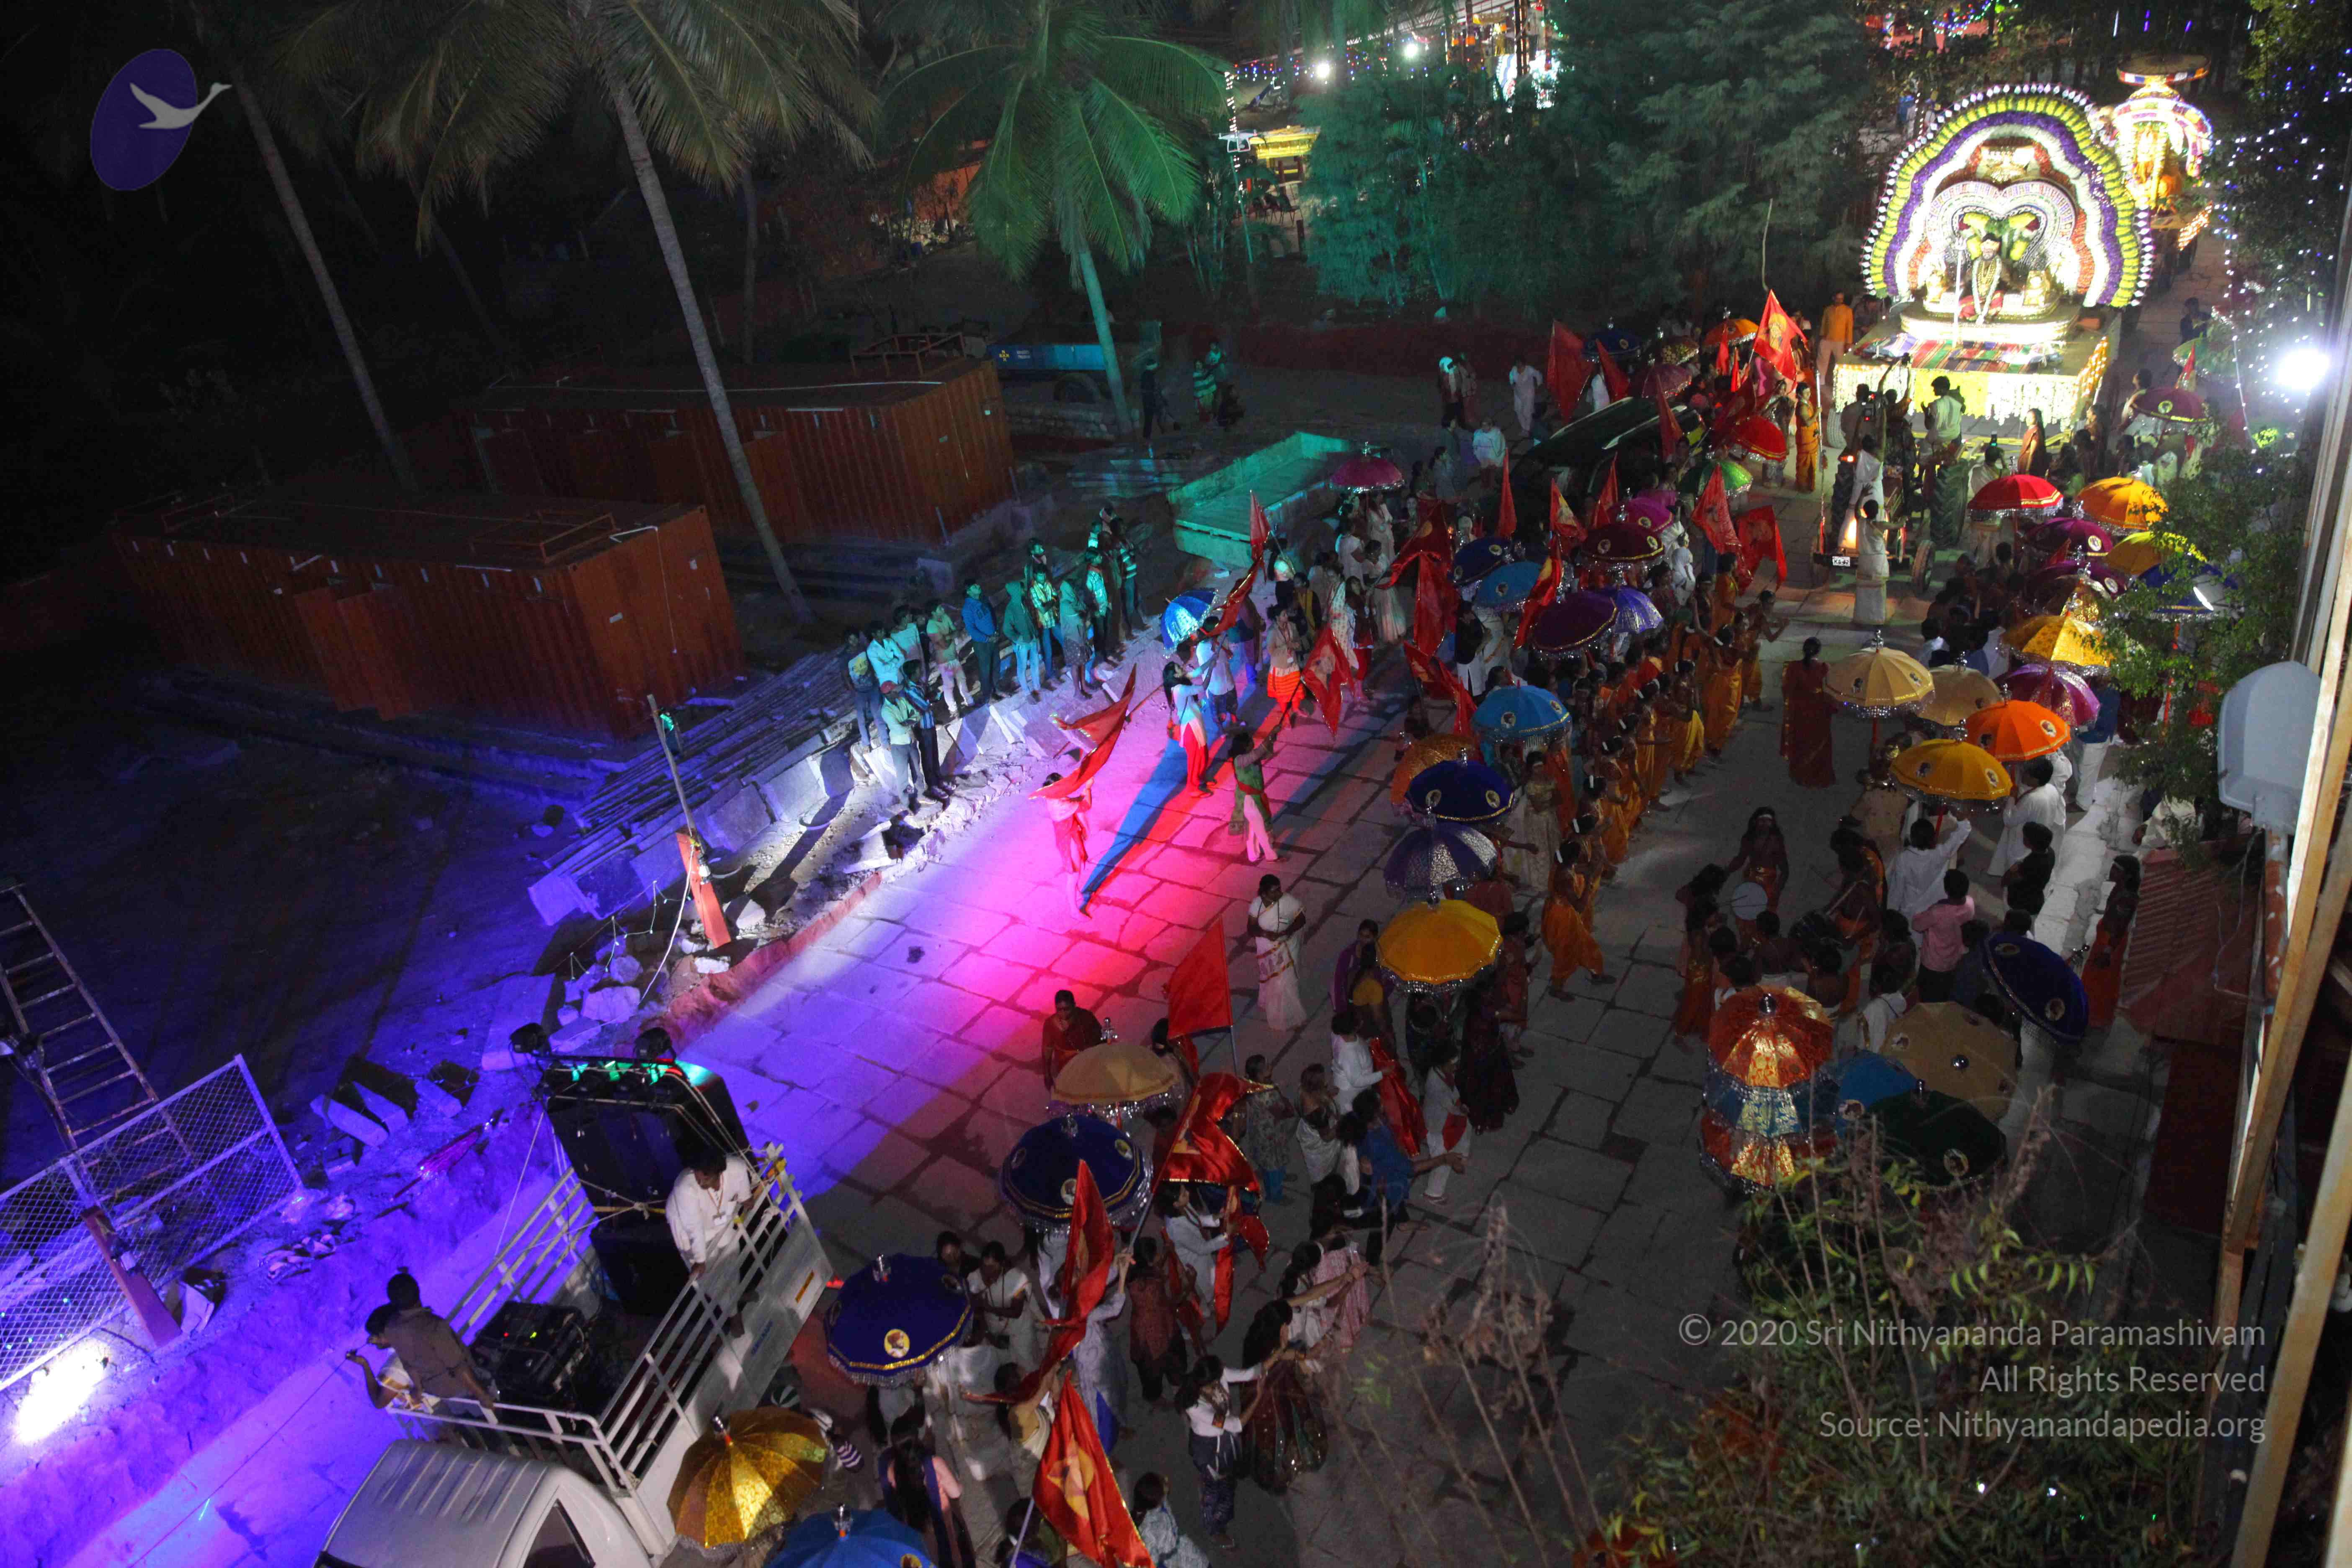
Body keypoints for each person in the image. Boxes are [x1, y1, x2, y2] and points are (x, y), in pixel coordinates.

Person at [376, 1270, 498, 1414]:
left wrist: (419, 1388)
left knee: (467, 1415)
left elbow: (408, 1364)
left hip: (435, 1390)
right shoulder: (434, 1326)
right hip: (460, 1386)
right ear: (418, 1291)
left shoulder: (392, 1328)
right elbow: (458, 1366)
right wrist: (482, 1395)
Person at [1235, 1302, 1325, 1491]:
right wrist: (1289, 1353)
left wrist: (1304, 1355)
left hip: (1279, 1385)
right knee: (1275, 1430)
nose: (1288, 1329)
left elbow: (1285, 1355)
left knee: (1293, 1415)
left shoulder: (1261, 1335)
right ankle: (1280, 1463)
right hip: (1266, 1396)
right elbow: (1267, 1365)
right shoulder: (1269, 1348)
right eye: (1287, 1325)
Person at [1184, 1358, 1271, 1549]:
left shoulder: (1216, 1375)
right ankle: (1214, 1531)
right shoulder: (1196, 1408)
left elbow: (1251, 1373)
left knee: (1227, 1481)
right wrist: (1258, 1397)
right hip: (1211, 1452)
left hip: (1224, 1443)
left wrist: (1280, 1353)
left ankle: (1208, 1481)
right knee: (1218, 1493)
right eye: (1214, 1384)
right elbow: (1236, 1425)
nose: (1219, 1385)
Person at [883, 1413, 977, 1568]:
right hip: (943, 1522)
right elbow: (956, 1493)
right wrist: (959, 1484)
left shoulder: (892, 1469)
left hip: (917, 1526)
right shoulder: (934, 1463)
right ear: (916, 1438)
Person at [667, 1144, 753, 1279]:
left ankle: (734, 1290)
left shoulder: (737, 1168)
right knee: (707, 1268)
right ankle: (719, 1294)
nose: (701, 1182)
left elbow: (745, 1195)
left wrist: (746, 1197)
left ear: (719, 1172)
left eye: (706, 1178)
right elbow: (694, 1227)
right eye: (698, 1178)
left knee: (731, 1247)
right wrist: (700, 1260)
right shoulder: (685, 1188)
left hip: (716, 1217)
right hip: (685, 1222)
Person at [1127, 1236, 1189, 1407]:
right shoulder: (1152, 1286)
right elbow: (1169, 1303)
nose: (1158, 1256)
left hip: (1142, 1329)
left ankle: (1156, 1396)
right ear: (1149, 1260)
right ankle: (1174, 1389)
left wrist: (1167, 1253)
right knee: (1167, 1361)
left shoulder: (1134, 1275)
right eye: (1156, 1254)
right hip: (1159, 1328)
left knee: (1149, 1369)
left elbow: (1155, 1268)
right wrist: (1186, 1291)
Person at [2081, 856, 2141, 1027]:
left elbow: (2119, 928)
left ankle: (2094, 1016)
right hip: (2105, 937)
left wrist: (2107, 952)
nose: (2112, 871)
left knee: (2100, 980)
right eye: (2113, 867)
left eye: (2117, 870)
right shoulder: (2119, 889)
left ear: (2127, 876)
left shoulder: (2127, 899)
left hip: (2110, 942)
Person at [1243, 874, 1308, 1033]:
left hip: (1286, 945)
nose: (1279, 893)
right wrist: (1266, 934)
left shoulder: (1288, 901)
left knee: (1286, 980)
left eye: (1279, 889)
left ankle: (1288, 1016)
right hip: (1266, 948)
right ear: (1264, 893)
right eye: (1274, 891)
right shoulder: (1257, 904)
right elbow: (1251, 928)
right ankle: (1272, 1006)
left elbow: (1301, 920)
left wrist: (1286, 932)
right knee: (1271, 979)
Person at [350, 1305, 438, 1411]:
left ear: (391, 1332)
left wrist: (365, 1365)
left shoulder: (397, 1364)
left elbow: (379, 1403)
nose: (372, 1339)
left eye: (377, 1335)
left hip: (434, 1403)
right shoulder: (418, 1330)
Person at [880, 681, 951, 810]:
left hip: (911, 741)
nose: (898, 692)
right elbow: (898, 729)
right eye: (895, 691)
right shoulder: (885, 711)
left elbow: (917, 715)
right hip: (899, 746)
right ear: (888, 694)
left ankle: (921, 795)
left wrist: (906, 723)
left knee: (917, 772)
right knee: (903, 776)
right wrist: (910, 722)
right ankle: (906, 803)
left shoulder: (901, 701)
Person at [1990, 758, 2066, 877]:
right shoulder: (2052, 790)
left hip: (2022, 843)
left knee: (2015, 874)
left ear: (2035, 780)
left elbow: (2009, 821)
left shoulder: (2031, 799)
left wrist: (2012, 798)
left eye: (2026, 773)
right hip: (2038, 840)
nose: (2023, 775)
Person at [973, 1241, 1042, 1371]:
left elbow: (1016, 1312)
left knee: (1026, 1366)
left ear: (1002, 1264)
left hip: (1019, 1329)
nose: (987, 1271)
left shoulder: (1016, 1278)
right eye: (985, 1266)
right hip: (994, 1330)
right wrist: (988, 1334)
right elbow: (975, 1308)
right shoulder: (977, 1277)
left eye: (992, 1267)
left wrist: (989, 1309)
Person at [1236, 1055, 1297, 1204]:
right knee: (1273, 1163)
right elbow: (1281, 1113)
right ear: (1259, 1075)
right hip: (1270, 1134)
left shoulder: (1254, 1085)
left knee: (1271, 1158)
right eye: (1266, 1067)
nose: (1270, 1066)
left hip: (1262, 1129)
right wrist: (1290, 1110)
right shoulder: (1266, 1095)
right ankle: (1275, 1195)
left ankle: (1278, 1174)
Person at [1779, 637, 1837, 787]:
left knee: (1801, 743)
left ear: (1803, 650)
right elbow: (1831, 694)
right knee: (1818, 745)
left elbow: (1786, 691)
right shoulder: (1824, 668)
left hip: (1799, 713)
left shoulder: (1793, 667)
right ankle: (1817, 776)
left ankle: (1799, 774)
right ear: (1819, 651)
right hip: (1819, 714)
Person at [1890, 815, 1973, 920]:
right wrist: (1959, 815)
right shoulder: (1940, 853)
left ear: (1912, 838)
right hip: (1934, 910)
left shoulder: (1903, 859)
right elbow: (1964, 831)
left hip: (1910, 911)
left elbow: (1897, 891)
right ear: (1933, 839)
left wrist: (1891, 912)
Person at [1912, 869, 1977, 1001]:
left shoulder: (1937, 912)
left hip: (1933, 963)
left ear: (1946, 890)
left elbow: (1917, 925)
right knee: (1944, 994)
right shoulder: (1970, 904)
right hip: (1954, 960)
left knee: (1926, 996)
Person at [1132, 1472, 1210, 1568]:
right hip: (1172, 1563)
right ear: (1156, 1499)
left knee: (1203, 1563)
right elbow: (1151, 1561)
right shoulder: (1148, 1531)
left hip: (1181, 1548)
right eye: (1163, 1485)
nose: (1166, 1482)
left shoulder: (1157, 1502)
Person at [1227, 726, 1281, 863]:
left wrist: (1272, 739)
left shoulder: (1249, 757)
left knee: (1252, 828)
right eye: (1251, 741)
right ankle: (1271, 855)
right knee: (1261, 828)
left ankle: (1253, 855)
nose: (1253, 742)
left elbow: (1266, 753)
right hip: (1249, 799)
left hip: (1252, 798)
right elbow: (1259, 753)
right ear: (1245, 746)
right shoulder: (1240, 760)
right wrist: (1271, 734)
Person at [1042, 774, 1093, 917]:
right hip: (1069, 841)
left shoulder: (1053, 798)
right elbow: (1085, 806)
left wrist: (1084, 790)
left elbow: (1075, 802)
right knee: (1074, 875)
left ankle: (1078, 895)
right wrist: (1088, 788)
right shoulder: (1061, 804)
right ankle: (1074, 911)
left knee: (1075, 870)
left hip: (1068, 837)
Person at [1725, 806, 1791, 914]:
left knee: (1763, 918)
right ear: (1755, 822)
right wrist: (1726, 872)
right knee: (1743, 914)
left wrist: (1777, 891)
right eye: (1762, 821)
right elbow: (1740, 859)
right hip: (1751, 878)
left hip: (1768, 882)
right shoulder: (1749, 838)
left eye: (1768, 821)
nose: (1765, 824)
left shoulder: (1776, 842)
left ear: (1773, 823)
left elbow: (1785, 871)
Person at [1041, 989, 1103, 1090]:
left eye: (1067, 1009)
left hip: (1090, 1063)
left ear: (1074, 1006)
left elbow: (1101, 1038)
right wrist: (1047, 1075)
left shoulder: (1086, 1016)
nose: (1064, 1014)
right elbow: (1047, 1050)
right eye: (1060, 1010)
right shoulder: (1051, 1024)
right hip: (1067, 1068)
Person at [843, 629, 882, 752]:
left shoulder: (863, 649)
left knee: (878, 714)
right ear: (847, 641)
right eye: (851, 639)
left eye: (855, 638)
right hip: (859, 691)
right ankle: (866, 743)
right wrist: (853, 690)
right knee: (861, 718)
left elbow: (871, 664)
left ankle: (885, 740)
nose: (854, 641)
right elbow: (845, 676)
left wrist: (876, 678)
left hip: (872, 686)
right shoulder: (845, 657)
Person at [961, 583, 1001, 704]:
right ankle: (988, 696)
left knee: (996, 665)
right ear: (968, 591)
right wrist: (987, 639)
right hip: (982, 644)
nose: (978, 586)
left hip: (993, 638)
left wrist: (996, 631)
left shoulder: (983, 600)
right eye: (974, 586)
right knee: (986, 670)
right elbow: (972, 630)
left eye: (977, 585)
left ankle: (997, 689)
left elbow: (992, 617)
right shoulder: (967, 609)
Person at [1817, 290, 1855, 383]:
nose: (1839, 301)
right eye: (1838, 299)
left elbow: (1849, 327)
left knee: (1840, 362)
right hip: (1827, 339)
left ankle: (1840, 382)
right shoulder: (1828, 310)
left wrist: (1849, 343)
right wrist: (1822, 336)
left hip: (1840, 342)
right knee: (1822, 361)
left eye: (1841, 299)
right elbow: (1824, 324)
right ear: (1833, 298)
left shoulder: (1848, 311)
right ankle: (1821, 381)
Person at [1792, 381, 1821, 493]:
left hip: (1812, 437)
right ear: (1800, 394)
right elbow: (1808, 423)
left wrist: (1818, 432)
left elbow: (1813, 422)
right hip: (1805, 439)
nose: (1809, 394)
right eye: (1806, 393)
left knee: (1811, 463)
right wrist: (1817, 413)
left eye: (1809, 392)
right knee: (1805, 464)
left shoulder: (1808, 403)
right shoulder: (1802, 407)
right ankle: (1802, 485)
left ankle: (1809, 484)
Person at [1509, 354, 1544, 438]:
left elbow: (1539, 375)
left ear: (1524, 364)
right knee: (1518, 411)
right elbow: (1511, 376)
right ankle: (1524, 428)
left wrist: (1539, 385)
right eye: (1517, 364)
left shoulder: (1530, 370)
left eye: (1520, 364)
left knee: (1527, 412)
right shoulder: (1514, 370)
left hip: (1529, 394)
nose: (1519, 367)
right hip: (1518, 394)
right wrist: (1512, 384)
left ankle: (1527, 430)